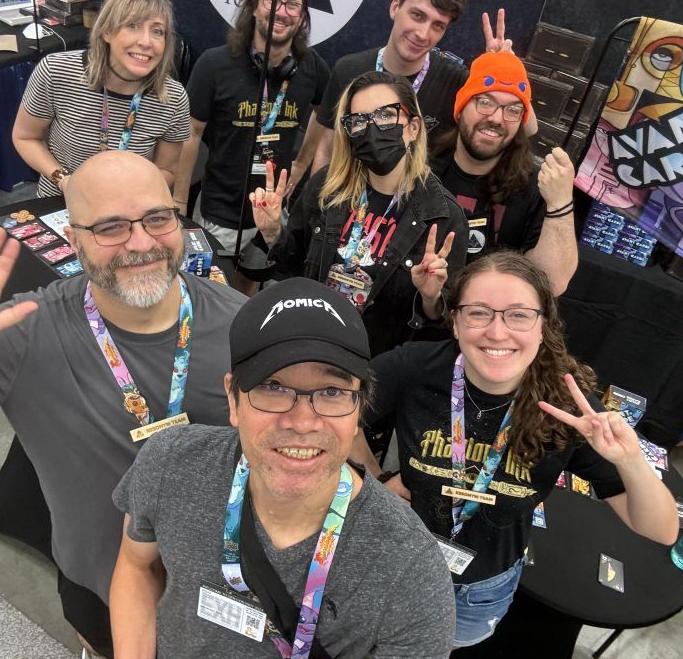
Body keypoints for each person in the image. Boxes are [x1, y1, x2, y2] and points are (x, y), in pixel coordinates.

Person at [0, 151, 246, 658]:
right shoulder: (24, 332)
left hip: (225, 589)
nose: (142, 242)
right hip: (97, 587)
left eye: (157, 217)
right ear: (74, 241)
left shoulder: (241, 321)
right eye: (110, 227)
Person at [109, 277, 456, 658]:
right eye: (273, 386)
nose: (302, 422)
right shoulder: (171, 463)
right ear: (232, 397)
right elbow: (136, 566)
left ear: (360, 408)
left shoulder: (411, 574)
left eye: (332, 392)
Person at [350, 251, 679, 649]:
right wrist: (373, 477)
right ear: (454, 321)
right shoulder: (413, 368)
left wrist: (630, 461)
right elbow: (336, 419)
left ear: (543, 327)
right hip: (395, 562)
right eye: (478, 313)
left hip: (480, 591)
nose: (498, 332)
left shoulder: (569, 407)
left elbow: (660, 530)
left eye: (519, 314)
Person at [250, 70, 468, 359]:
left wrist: (430, 298)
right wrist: (273, 231)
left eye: (386, 116)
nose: (372, 128)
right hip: (312, 342)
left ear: (413, 127)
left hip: (378, 363)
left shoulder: (443, 217)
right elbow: (293, 267)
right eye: (359, 120)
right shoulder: (327, 187)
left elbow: (442, 330)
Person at [173, 0, 329, 255]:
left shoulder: (313, 68)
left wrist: (303, 163)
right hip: (220, 215)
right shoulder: (213, 65)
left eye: (293, 4)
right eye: (272, 0)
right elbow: (190, 134)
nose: (282, 12)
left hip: (272, 216)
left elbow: (324, 112)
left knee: (259, 289)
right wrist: (180, 201)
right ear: (255, 6)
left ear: (303, 16)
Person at [12, 0, 191, 197]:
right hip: (60, 203)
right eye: (133, 25)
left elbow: (167, 170)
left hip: (127, 211)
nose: (146, 42)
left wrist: (125, 192)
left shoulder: (173, 98)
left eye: (157, 31)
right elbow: (26, 137)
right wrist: (64, 180)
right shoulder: (56, 71)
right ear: (106, 32)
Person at [301, 0, 470, 174]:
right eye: (417, 16)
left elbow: (516, 134)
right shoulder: (348, 69)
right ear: (395, 8)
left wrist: (504, 69)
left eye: (438, 26)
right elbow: (326, 150)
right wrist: (319, 205)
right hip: (348, 204)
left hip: (410, 206)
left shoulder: (455, 82)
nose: (423, 34)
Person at [432, 51, 578, 294]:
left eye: (513, 110)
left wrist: (561, 203)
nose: (497, 118)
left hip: (484, 319)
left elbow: (552, 284)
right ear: (462, 106)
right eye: (486, 102)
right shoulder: (425, 167)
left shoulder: (535, 187)